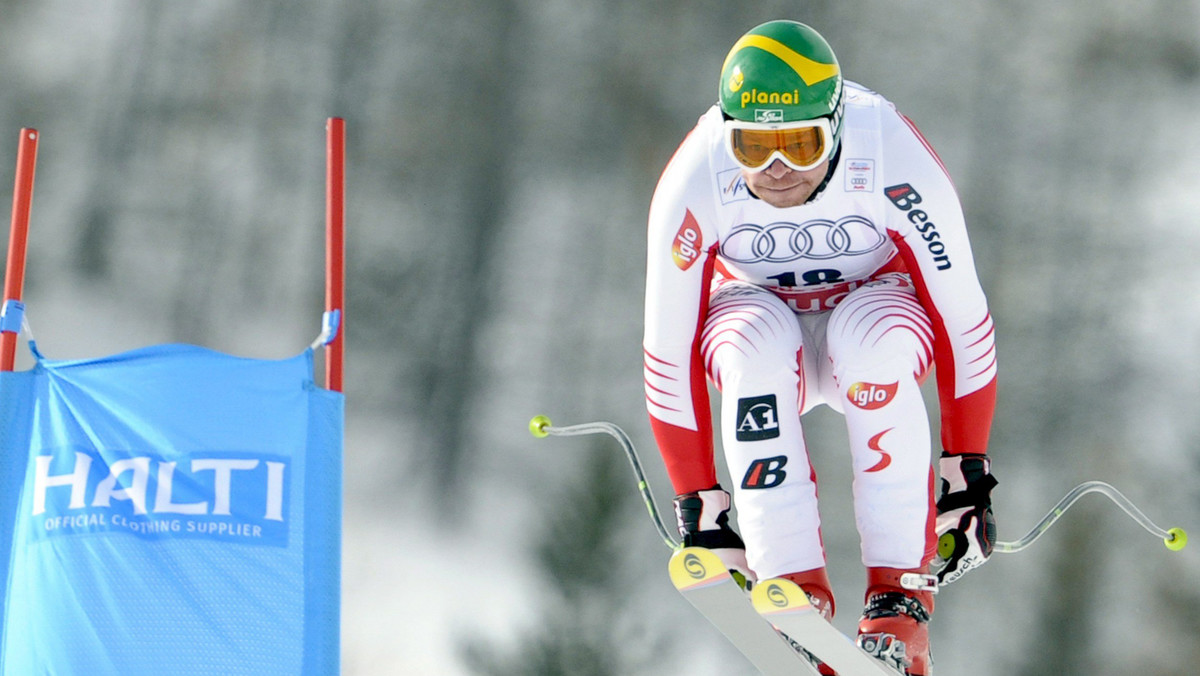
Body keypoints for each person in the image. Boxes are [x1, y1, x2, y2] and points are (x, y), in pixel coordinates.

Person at [642, 20, 999, 675]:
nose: (778, 170)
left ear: (835, 128)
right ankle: (793, 592)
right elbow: (667, 351)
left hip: (875, 307)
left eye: (800, 145)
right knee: (750, 344)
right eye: (754, 148)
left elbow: (961, 316)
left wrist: (964, 471)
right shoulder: (697, 176)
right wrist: (702, 503)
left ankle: (899, 601)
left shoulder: (888, 150)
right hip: (765, 327)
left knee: (871, 340)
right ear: (729, 136)